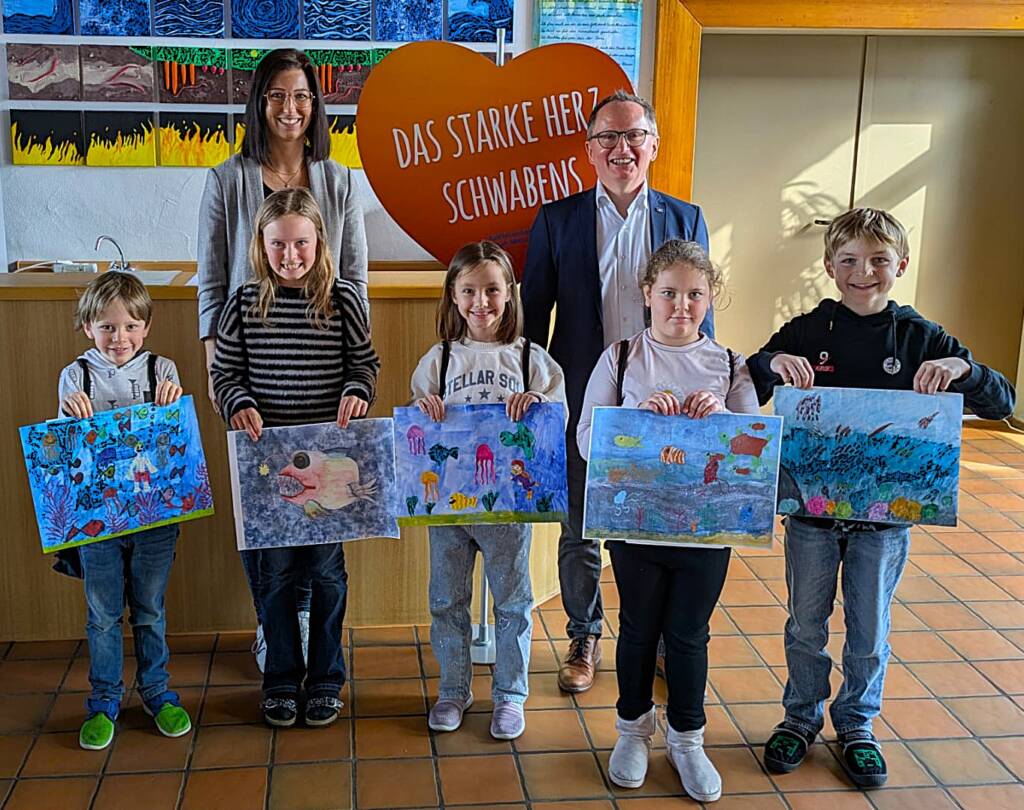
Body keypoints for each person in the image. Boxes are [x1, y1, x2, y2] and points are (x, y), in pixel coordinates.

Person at [747, 208, 1016, 787]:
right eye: (848, 260)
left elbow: (1003, 402)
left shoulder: (922, 337)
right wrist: (772, 361)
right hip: (811, 516)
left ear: (902, 264)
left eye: (878, 260)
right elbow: (749, 381)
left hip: (886, 523)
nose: (862, 272)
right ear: (829, 266)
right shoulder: (809, 331)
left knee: (869, 629)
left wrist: (962, 368)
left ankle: (857, 724)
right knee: (805, 625)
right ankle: (799, 718)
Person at [522, 90, 712, 692]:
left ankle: (657, 638)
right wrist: (532, 393)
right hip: (584, 398)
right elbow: (533, 319)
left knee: (659, 525)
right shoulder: (557, 220)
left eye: (633, 135)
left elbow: (699, 316)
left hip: (665, 404)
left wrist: (706, 395)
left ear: (653, 145)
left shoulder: (685, 219)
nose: (620, 147)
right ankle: (584, 634)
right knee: (580, 527)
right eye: (607, 136)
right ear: (589, 149)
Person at [197, 47, 368, 670]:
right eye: (276, 95)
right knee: (262, 504)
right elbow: (212, 282)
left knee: (318, 500)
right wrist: (221, 375)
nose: (289, 107)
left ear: (315, 104)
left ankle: (304, 627)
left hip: (322, 380)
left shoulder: (339, 180)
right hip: (250, 375)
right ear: (259, 103)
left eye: (300, 95)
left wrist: (355, 370)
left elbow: (355, 279)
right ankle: (272, 625)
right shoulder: (227, 178)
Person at [577, 240, 756, 802]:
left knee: (688, 634)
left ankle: (687, 739)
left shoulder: (730, 365)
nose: (682, 305)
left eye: (695, 294)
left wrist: (721, 417)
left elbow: (753, 448)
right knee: (637, 630)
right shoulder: (620, 358)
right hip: (635, 525)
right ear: (647, 294)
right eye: (670, 293)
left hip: (706, 530)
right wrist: (635, 420)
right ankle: (632, 730)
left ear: (711, 297)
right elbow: (586, 440)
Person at [210, 188, 379, 728]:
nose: (290, 255)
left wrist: (357, 390)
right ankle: (281, 677)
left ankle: (326, 677)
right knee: (276, 574)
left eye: (301, 243)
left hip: (328, 467)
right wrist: (238, 403)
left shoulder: (343, 299)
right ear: (261, 246)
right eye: (278, 244)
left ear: (319, 241)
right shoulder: (243, 303)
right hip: (269, 467)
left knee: (327, 574)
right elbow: (224, 375)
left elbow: (365, 365)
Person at [410, 241, 566, 740]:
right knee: (446, 600)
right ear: (454, 296)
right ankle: (453, 689)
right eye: (470, 291)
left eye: (492, 290)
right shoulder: (440, 359)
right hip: (448, 509)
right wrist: (425, 409)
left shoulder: (531, 359)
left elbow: (556, 418)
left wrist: (537, 402)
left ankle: (510, 694)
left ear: (509, 294)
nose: (481, 302)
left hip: (509, 509)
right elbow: (418, 424)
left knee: (513, 603)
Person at [57, 271, 191, 751]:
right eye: (108, 327)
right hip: (98, 520)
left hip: (155, 517)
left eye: (131, 326)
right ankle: (104, 700)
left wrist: (172, 405)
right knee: (103, 614)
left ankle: (156, 691)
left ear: (146, 327)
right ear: (88, 327)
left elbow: (175, 445)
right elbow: (63, 452)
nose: (120, 337)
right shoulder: (76, 376)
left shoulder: (163, 370)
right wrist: (68, 415)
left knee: (150, 609)